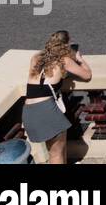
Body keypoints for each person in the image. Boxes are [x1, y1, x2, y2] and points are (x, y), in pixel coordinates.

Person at [23, 30, 92, 164]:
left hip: (29, 111)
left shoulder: (36, 58)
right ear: (65, 45)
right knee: (56, 154)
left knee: (55, 151)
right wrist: (79, 59)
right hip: (46, 111)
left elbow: (45, 75)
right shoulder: (64, 61)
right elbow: (87, 76)